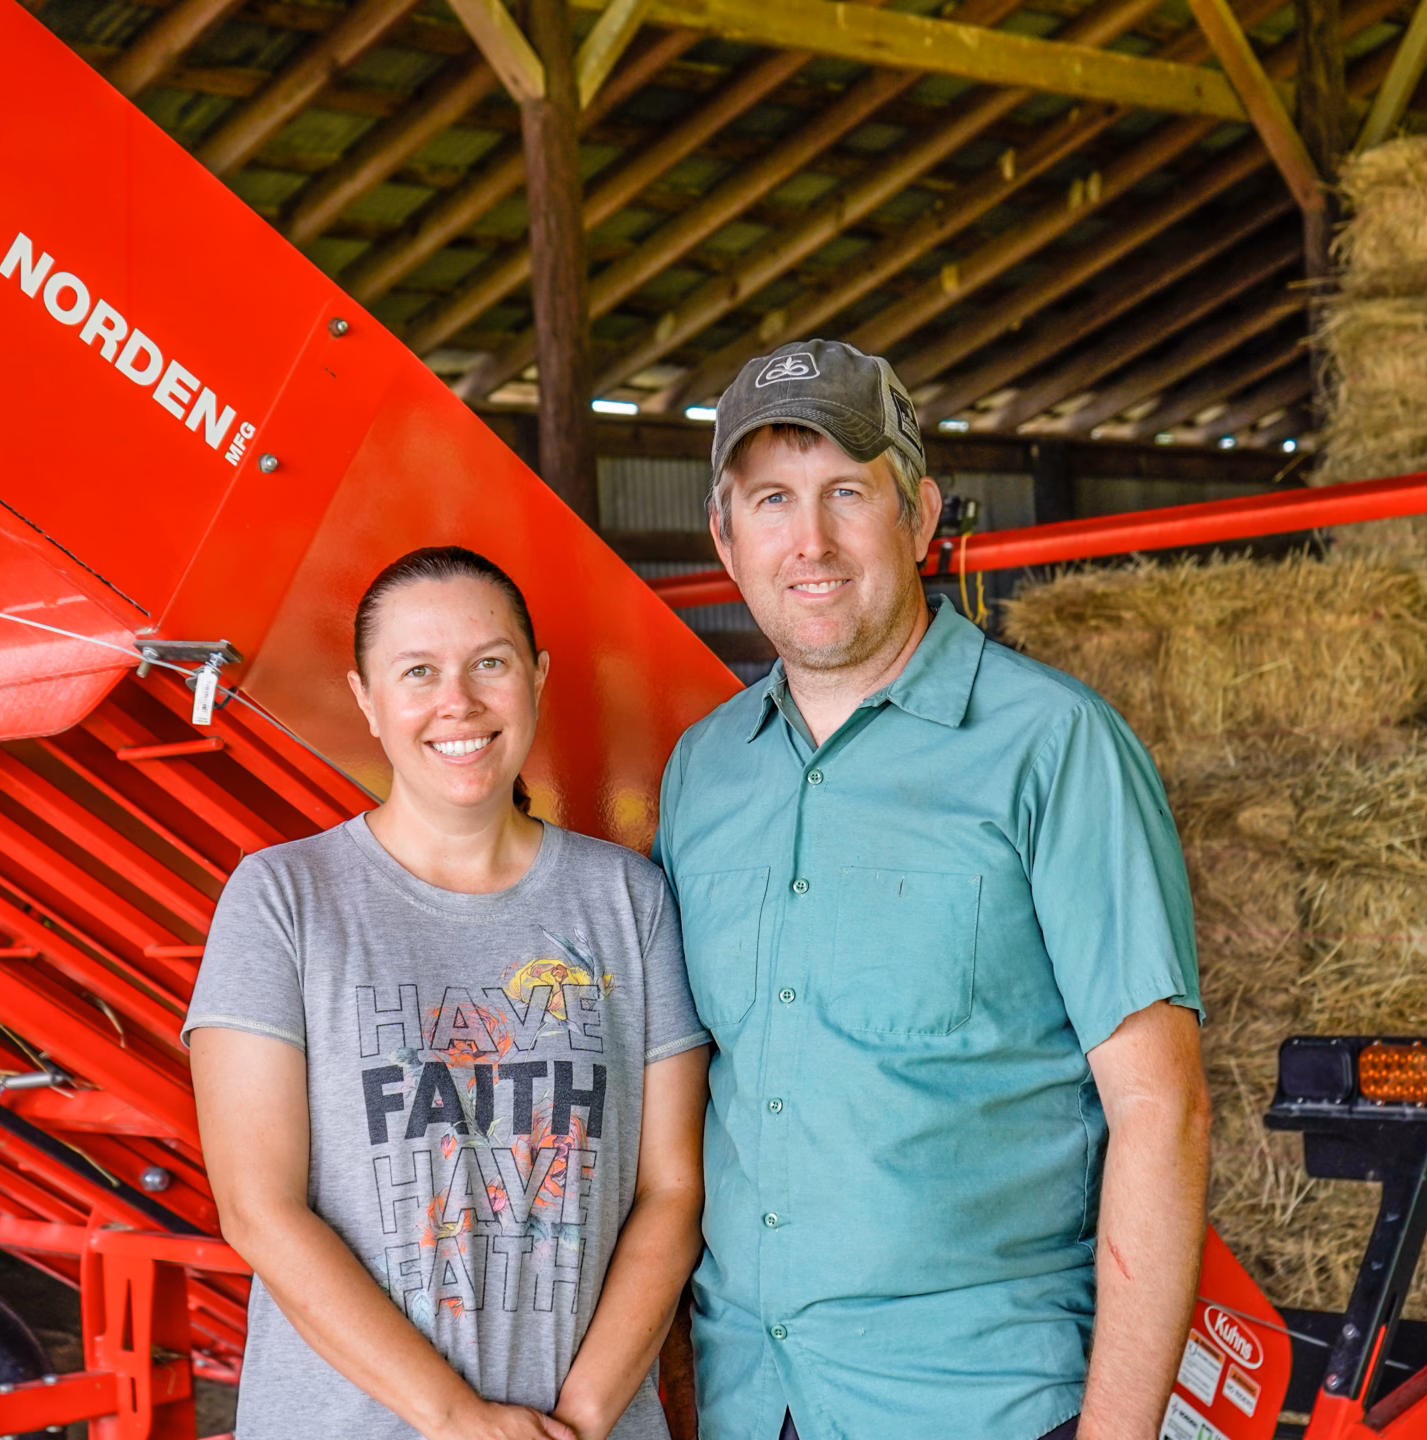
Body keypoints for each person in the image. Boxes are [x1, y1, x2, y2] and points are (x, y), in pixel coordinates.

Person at [654, 340, 1212, 1440]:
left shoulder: (1052, 747)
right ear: (725, 537)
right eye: (771, 500)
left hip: (977, 1401)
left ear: (917, 515)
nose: (808, 542)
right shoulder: (701, 772)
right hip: (751, 1403)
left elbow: (1163, 1112)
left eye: (846, 494)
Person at [188, 546, 712, 1440]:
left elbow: (671, 1191)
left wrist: (582, 1420)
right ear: (366, 697)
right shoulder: (283, 898)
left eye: (490, 664)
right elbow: (259, 1209)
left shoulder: (629, 899)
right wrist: (461, 1420)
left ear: (536, 678)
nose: (457, 702)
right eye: (418, 671)